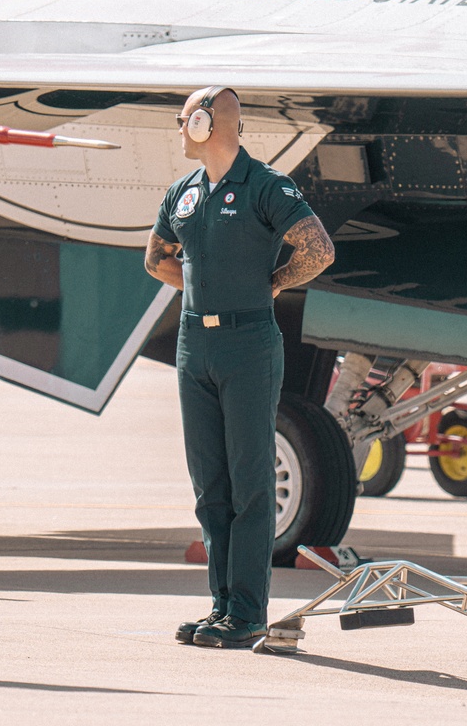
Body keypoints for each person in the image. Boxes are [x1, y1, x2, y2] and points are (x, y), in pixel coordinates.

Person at [144, 86, 335, 648]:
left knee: (251, 482)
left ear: (205, 124)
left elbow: (318, 250)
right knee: (210, 485)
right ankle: (221, 606)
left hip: (248, 345)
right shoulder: (184, 193)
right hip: (193, 344)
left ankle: (248, 612)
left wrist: (269, 284)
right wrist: (203, 288)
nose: (180, 130)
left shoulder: (266, 186)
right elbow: (157, 259)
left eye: (185, 121)